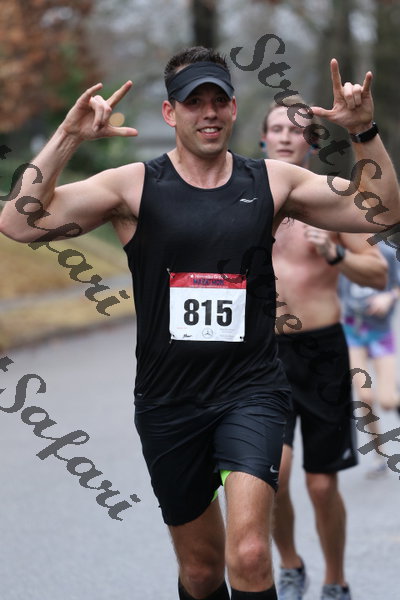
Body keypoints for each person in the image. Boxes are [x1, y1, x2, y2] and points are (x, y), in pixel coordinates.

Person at [1, 46, 399, 600]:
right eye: (193, 102)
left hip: (251, 390)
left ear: (233, 108)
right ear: (171, 113)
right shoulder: (132, 186)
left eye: (218, 100)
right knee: (201, 571)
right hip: (169, 401)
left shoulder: (272, 181)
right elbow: (19, 223)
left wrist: (363, 132)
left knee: (251, 555)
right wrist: (68, 135)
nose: (208, 112)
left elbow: (380, 212)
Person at [260, 96, 388, 600]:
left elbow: (377, 274)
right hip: (262, 355)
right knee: (271, 475)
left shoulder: (333, 197)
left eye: (297, 129)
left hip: (321, 353)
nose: (286, 136)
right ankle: (290, 564)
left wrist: (333, 252)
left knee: (320, 484)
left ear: (311, 143)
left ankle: (335, 579)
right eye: (276, 128)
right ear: (264, 139)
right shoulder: (245, 199)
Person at [339, 241, 400, 478]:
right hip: (353, 332)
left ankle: (392, 393)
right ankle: (379, 456)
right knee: (365, 397)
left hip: (380, 332)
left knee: (386, 401)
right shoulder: (340, 252)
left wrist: (389, 297)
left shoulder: (386, 252)